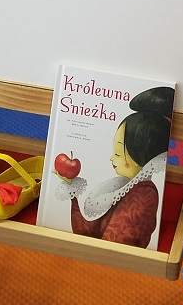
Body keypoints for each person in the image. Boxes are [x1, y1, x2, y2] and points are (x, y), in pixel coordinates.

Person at [58, 86, 174, 248]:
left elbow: (113, 246)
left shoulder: (143, 197)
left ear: (139, 154)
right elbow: (88, 231)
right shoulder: (123, 186)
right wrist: (72, 194)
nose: (112, 158)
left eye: (118, 153)